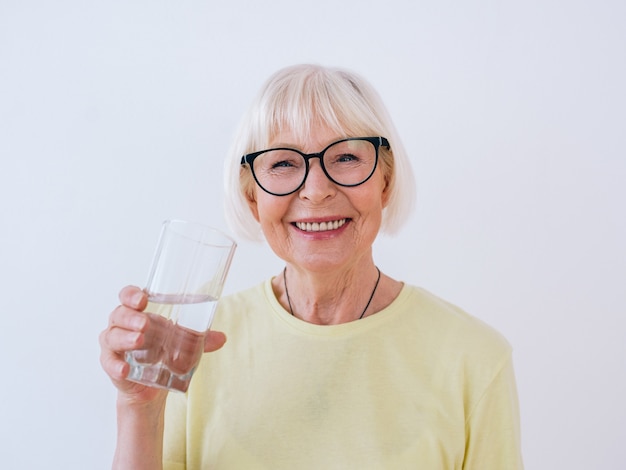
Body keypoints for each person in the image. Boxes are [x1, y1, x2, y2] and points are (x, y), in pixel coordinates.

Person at [100, 64, 523, 469]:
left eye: (345, 158)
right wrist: (139, 406)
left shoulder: (474, 358)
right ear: (252, 197)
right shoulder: (187, 347)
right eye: (283, 163)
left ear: (386, 182)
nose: (316, 191)